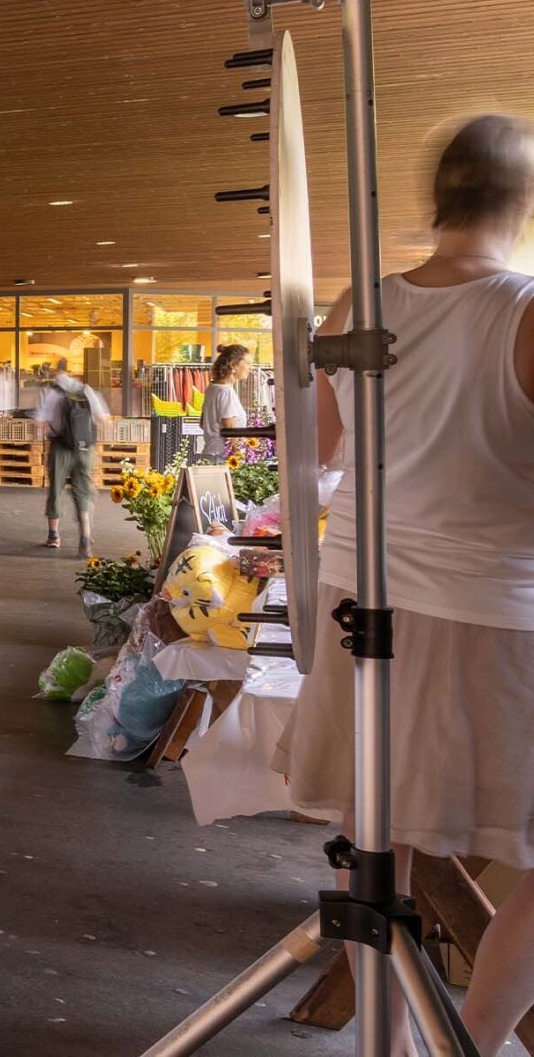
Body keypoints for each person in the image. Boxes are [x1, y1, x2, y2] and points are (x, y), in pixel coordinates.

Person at [279, 113, 534, 1056]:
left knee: (375, 838)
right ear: (522, 201)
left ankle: (382, 1033)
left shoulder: (362, 304)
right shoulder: (523, 309)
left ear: (438, 198)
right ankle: (475, 1038)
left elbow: (322, 449)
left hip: (361, 604)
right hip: (489, 618)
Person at [36, 359, 110, 556]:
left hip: (60, 447)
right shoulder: (86, 390)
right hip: (85, 449)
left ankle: (54, 536)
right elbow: (102, 418)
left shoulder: (51, 393)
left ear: (55, 372)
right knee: (83, 491)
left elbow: (41, 421)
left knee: (56, 490)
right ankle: (85, 535)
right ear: (69, 372)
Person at [198, 343, 251, 460]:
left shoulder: (212, 388)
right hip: (222, 456)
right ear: (233, 365)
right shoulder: (226, 392)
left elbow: (202, 423)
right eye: (247, 363)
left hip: (211, 452)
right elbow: (230, 429)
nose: (249, 367)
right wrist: (237, 451)